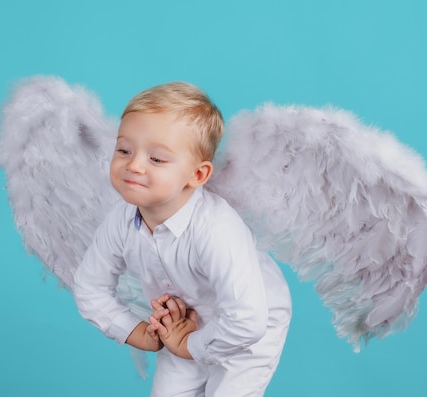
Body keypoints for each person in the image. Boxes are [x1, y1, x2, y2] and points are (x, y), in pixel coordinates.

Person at [73, 82, 292, 397]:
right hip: (182, 320)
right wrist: (140, 334)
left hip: (250, 324)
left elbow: (248, 320)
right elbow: (89, 288)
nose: (133, 165)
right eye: (124, 150)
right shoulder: (120, 222)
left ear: (197, 175)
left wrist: (191, 345)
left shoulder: (216, 230)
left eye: (157, 159)